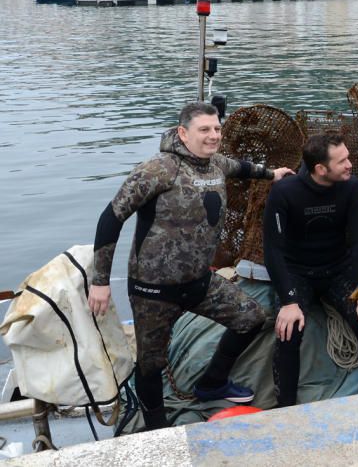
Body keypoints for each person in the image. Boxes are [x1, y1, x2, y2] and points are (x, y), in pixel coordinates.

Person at [87, 102, 293, 430]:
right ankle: (157, 430)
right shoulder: (157, 169)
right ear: (183, 133)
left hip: (200, 282)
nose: (213, 136)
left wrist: (272, 174)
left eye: (217, 129)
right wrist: (100, 281)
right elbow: (111, 218)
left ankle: (212, 382)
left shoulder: (215, 164)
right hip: (154, 290)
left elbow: (241, 167)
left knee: (251, 318)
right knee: (152, 365)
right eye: (204, 130)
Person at [264, 132, 358, 407]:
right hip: (298, 272)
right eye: (342, 161)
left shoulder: (351, 188)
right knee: (289, 331)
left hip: (338, 270)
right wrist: (289, 300)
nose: (350, 164)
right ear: (321, 169)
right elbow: (273, 250)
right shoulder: (285, 192)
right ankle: (286, 409)